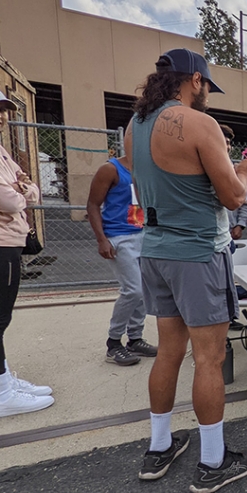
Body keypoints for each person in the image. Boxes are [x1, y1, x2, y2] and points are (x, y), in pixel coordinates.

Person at [125, 48, 247, 493]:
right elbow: (233, 198)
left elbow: (143, 176)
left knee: (168, 352)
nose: (207, 97)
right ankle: (212, 461)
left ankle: (159, 447)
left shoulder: (135, 126)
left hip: (156, 249)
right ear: (195, 81)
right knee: (209, 358)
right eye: (207, 88)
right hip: (197, 253)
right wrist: (243, 172)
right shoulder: (201, 124)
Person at [0, 82, 54, 417]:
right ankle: (1, 396)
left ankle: (3, 381)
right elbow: (8, 198)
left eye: (2, 109)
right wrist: (21, 194)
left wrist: (22, 190)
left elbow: (26, 182)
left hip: (1, 240)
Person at [85, 154, 158, 366]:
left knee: (145, 290)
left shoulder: (149, 167)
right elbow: (92, 205)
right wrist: (102, 239)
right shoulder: (111, 169)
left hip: (145, 235)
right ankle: (113, 343)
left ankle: (135, 338)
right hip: (119, 237)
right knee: (133, 290)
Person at [220, 125, 247, 244]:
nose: (227, 147)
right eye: (223, 142)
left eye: (229, 143)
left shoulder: (235, 169)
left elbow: (245, 200)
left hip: (228, 232)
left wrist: (240, 224)